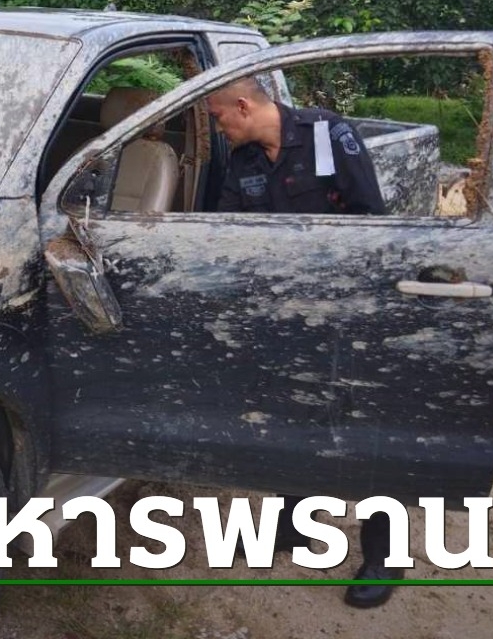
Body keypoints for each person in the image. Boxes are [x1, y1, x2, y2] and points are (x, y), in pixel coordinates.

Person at [205, 76, 398, 609]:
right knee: (290, 415)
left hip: (345, 310)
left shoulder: (328, 135)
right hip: (282, 314)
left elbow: (371, 221)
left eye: (218, 116)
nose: (217, 128)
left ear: (242, 106)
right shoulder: (243, 160)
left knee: (365, 431)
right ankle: (292, 523)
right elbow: (224, 230)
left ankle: (384, 555)